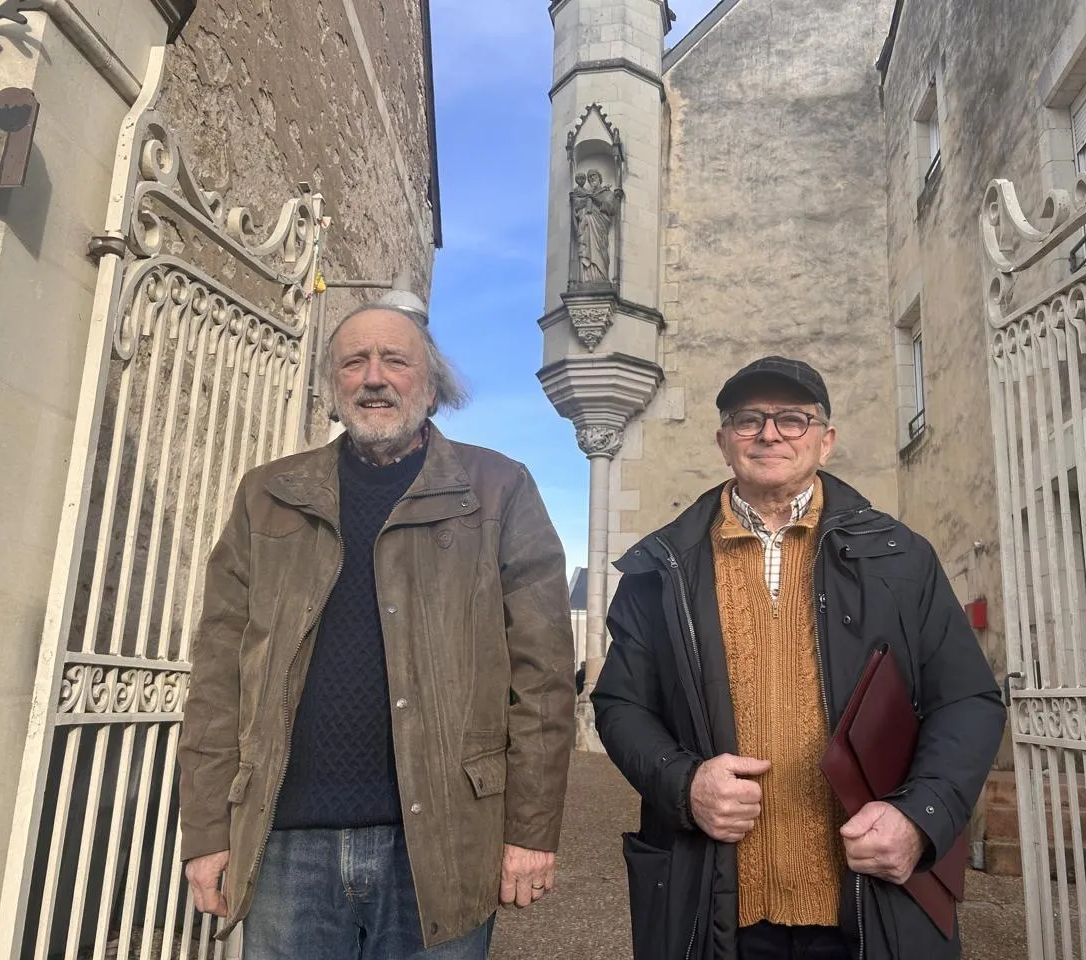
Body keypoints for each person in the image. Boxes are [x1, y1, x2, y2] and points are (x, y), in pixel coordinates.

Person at [177, 300, 577, 959]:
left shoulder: (498, 489)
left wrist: (530, 831)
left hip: (442, 839)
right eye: (353, 362)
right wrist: (206, 831)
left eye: (395, 360)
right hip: (286, 843)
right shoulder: (268, 495)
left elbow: (543, 679)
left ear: (431, 384)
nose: (373, 377)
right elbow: (218, 674)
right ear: (332, 386)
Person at [593, 356, 1005, 960]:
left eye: (792, 419)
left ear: (825, 440)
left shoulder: (900, 558)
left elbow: (967, 700)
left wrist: (921, 816)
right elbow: (621, 704)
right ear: (723, 441)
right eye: (748, 420)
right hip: (717, 902)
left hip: (866, 897)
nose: (770, 434)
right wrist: (685, 784)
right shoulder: (661, 567)